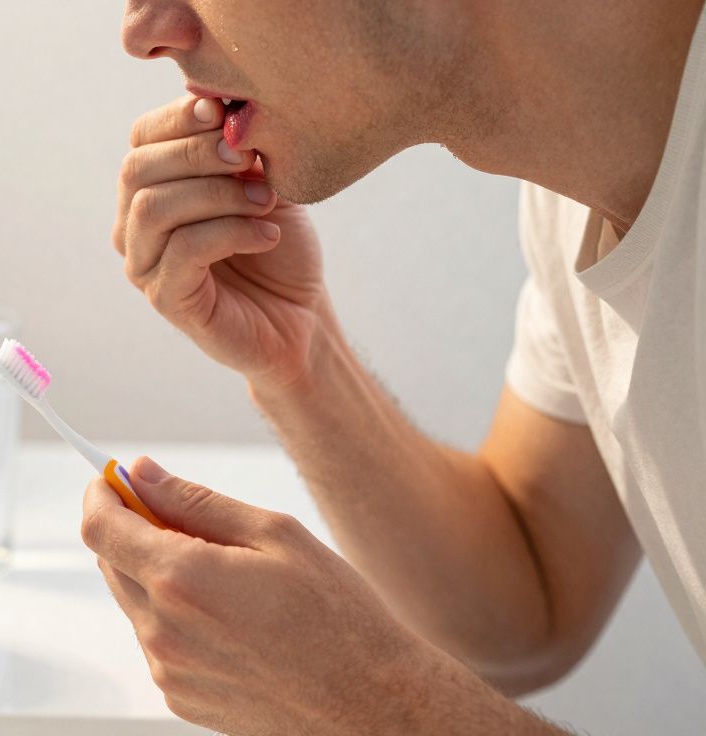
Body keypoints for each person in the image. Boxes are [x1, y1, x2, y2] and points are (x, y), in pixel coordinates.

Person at [83, 1, 706, 733]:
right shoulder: (576, 183)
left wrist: (378, 706)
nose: (145, 29)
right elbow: (531, 601)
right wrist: (303, 361)